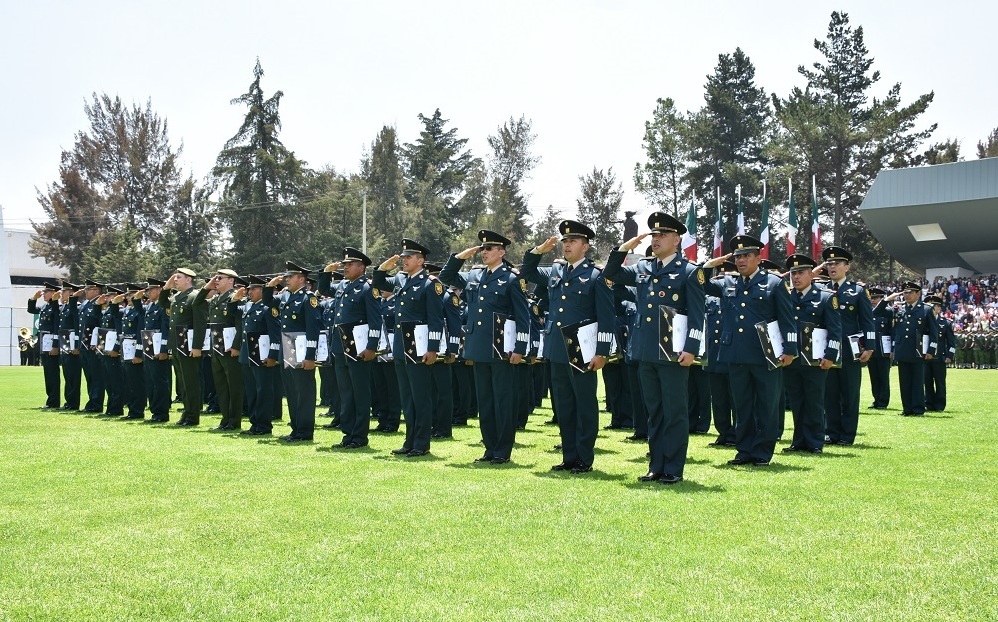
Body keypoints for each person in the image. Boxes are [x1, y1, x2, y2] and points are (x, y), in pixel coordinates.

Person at [603, 212, 705, 484]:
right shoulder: (644, 267)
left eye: (662, 235)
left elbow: (697, 315)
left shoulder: (689, 271)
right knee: (654, 412)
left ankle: (673, 468)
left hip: (673, 354)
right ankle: (656, 465)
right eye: (654, 235)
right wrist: (624, 248)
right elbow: (611, 273)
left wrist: (691, 347)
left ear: (676, 239)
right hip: (646, 351)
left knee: (674, 411)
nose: (656, 239)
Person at [521, 220, 614, 474]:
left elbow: (606, 317)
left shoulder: (596, 276)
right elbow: (527, 272)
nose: (566, 245)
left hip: (583, 350)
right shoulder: (555, 272)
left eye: (572, 241)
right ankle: (569, 456)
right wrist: (538, 251)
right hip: (557, 347)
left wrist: (602, 352)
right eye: (564, 241)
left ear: (585, 246)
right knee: (562, 405)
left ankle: (584, 458)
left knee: (584, 404)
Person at [702, 235, 798, 466]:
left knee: (766, 405)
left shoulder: (774, 283)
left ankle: (762, 452)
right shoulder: (728, 283)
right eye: (737, 257)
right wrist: (710, 264)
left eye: (746, 256)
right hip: (735, 354)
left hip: (766, 354)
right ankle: (744, 451)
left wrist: (791, 349)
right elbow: (701, 282)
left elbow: (787, 319)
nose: (741, 260)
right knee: (742, 405)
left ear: (758, 257)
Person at [439, 229, 530, 464]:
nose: (484, 252)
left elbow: (523, 317)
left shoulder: (512, 278)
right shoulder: (474, 277)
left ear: (502, 252)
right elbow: (446, 275)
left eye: (489, 249)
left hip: (502, 349)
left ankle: (502, 451)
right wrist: (459, 257)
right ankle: (490, 448)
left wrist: (520, 347)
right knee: (486, 402)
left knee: (503, 401)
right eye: (482, 249)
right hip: (479, 347)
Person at [373, 239, 444, 458]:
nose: (403, 261)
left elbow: (436, 319)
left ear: (421, 261)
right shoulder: (401, 281)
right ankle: (410, 440)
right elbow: (378, 283)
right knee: (407, 397)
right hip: (401, 346)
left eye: (408, 257)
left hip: (420, 347)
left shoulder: (430, 283)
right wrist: (384, 267)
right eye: (403, 257)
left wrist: (433, 348)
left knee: (420, 397)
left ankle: (421, 443)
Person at [318, 248, 383, 449]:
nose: (345, 267)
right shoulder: (342, 287)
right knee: (345, 393)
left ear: (361, 267)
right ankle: (348, 434)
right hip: (340, 348)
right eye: (344, 264)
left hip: (359, 350)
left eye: (349, 264)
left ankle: (359, 436)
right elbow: (324, 288)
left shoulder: (367, 289)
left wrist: (372, 347)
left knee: (360, 394)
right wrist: (326, 273)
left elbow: (375, 321)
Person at [780, 255, 841, 454]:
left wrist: (831, 355)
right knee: (796, 400)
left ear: (811, 275)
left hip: (815, 360)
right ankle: (799, 441)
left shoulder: (825, 297)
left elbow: (835, 330)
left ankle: (815, 441)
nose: (796, 277)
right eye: (793, 273)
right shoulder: (786, 297)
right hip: (793, 357)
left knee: (814, 401)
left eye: (800, 273)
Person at [818, 246, 876, 446]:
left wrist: (869, 346)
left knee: (849, 393)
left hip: (850, 349)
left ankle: (847, 434)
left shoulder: (858, 291)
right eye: (829, 264)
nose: (832, 267)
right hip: (826, 350)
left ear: (847, 267)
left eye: (837, 264)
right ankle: (831, 432)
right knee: (829, 392)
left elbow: (868, 321)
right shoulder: (821, 290)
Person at [266, 262, 323, 442]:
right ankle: (295, 428)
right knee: (291, 391)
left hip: (301, 352)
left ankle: (305, 431)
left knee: (303, 392)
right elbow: (267, 301)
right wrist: (269, 286)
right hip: (287, 352)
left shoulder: (308, 298)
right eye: (286, 277)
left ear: (301, 279)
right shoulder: (286, 297)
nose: (286, 280)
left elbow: (313, 329)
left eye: (290, 277)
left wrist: (310, 356)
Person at [233, 275, 281, 435]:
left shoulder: (268, 308)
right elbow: (232, 312)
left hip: (262, 356)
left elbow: (275, 334)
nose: (249, 292)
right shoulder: (248, 306)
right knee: (252, 391)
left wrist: (273, 355)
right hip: (248, 355)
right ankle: (254, 423)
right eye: (249, 289)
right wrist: (234, 298)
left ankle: (264, 425)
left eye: (253, 289)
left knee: (263, 391)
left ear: (263, 290)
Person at [161, 268, 208, 427]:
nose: (175, 280)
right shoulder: (176, 297)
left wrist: (197, 346)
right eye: (175, 278)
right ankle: (186, 414)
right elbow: (162, 302)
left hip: (188, 347)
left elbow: (200, 324)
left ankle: (193, 417)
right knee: (182, 383)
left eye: (178, 277)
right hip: (177, 346)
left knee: (191, 383)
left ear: (188, 279)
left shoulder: (194, 297)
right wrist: (166, 287)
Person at [889, 282, 937, 416]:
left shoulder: (926, 309)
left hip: (918, 350)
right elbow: (882, 316)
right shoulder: (899, 308)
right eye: (905, 292)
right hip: (902, 349)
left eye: (910, 292)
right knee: (904, 382)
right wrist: (887, 300)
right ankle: (907, 408)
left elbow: (933, 333)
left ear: (918, 294)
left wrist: (931, 351)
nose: (907, 295)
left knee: (917, 381)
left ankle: (918, 408)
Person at [205, 269, 244, 431]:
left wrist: (236, 346)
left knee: (233, 386)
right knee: (221, 385)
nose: (216, 280)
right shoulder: (215, 299)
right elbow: (198, 301)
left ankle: (234, 421)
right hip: (216, 347)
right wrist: (208, 286)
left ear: (231, 281)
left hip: (229, 349)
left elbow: (240, 324)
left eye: (220, 278)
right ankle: (225, 419)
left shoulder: (235, 298)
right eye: (215, 277)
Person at [704, 261, 737, 448]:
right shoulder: (710, 299)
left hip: (730, 355)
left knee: (735, 398)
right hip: (713, 356)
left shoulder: (735, 298)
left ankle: (737, 433)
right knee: (718, 399)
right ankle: (723, 432)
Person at [141, 278, 172, 423]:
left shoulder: (162, 307)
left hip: (158, 350)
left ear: (160, 290)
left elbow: (166, 330)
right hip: (149, 349)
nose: (148, 292)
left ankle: (161, 413)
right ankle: (154, 411)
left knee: (159, 382)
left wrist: (164, 350)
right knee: (150, 381)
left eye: (151, 290)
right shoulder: (150, 307)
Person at [28, 282, 62, 409]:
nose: (43, 294)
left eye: (46, 292)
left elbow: (55, 328)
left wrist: (55, 345)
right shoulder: (45, 307)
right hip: (44, 343)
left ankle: (54, 401)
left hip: (50, 344)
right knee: (48, 373)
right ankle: (50, 400)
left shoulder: (56, 308)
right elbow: (31, 309)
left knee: (53, 373)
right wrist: (33, 299)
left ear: (53, 293)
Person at [117, 284, 148, 420]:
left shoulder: (139, 311)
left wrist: (138, 353)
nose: (130, 297)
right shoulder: (127, 311)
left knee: (137, 383)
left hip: (135, 350)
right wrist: (113, 302)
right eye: (128, 295)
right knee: (128, 382)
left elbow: (140, 333)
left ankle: (137, 411)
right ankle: (131, 409)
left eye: (133, 295)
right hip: (126, 349)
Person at [78, 280, 106, 413]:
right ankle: (91, 401)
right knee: (89, 375)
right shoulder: (86, 304)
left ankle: (96, 403)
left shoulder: (100, 303)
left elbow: (101, 324)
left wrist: (99, 344)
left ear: (96, 291)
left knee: (96, 376)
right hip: (84, 344)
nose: (85, 291)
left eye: (88, 289)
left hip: (94, 346)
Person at [924, 294, 955, 412]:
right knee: (927, 382)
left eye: (934, 306)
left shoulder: (945, 323)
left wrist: (950, 356)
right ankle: (929, 403)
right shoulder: (924, 322)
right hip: (926, 356)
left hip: (940, 357)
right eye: (929, 306)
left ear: (939, 308)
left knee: (940, 382)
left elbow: (951, 342)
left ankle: (940, 405)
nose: (932, 308)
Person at [97, 286, 125, 417]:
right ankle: (110, 407)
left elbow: (119, 331)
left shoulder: (118, 312)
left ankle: (116, 408)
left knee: (115, 382)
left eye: (110, 296)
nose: (107, 298)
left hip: (113, 351)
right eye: (107, 296)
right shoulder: (107, 311)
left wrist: (116, 348)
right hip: (105, 349)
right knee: (108, 380)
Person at [867, 287, 894, 409]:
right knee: (874, 376)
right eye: (871, 298)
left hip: (884, 348)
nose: (873, 300)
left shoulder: (888, 312)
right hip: (871, 348)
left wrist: (893, 348)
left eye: (876, 298)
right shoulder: (867, 311)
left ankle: (883, 401)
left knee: (883, 376)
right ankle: (876, 399)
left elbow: (892, 330)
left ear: (881, 298)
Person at [58, 282, 83, 410]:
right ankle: (68, 401)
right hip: (65, 344)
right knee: (67, 375)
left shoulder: (76, 307)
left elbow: (77, 328)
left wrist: (76, 346)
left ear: (72, 293)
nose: (62, 294)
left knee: (73, 375)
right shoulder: (64, 307)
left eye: (65, 291)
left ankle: (73, 403)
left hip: (72, 345)